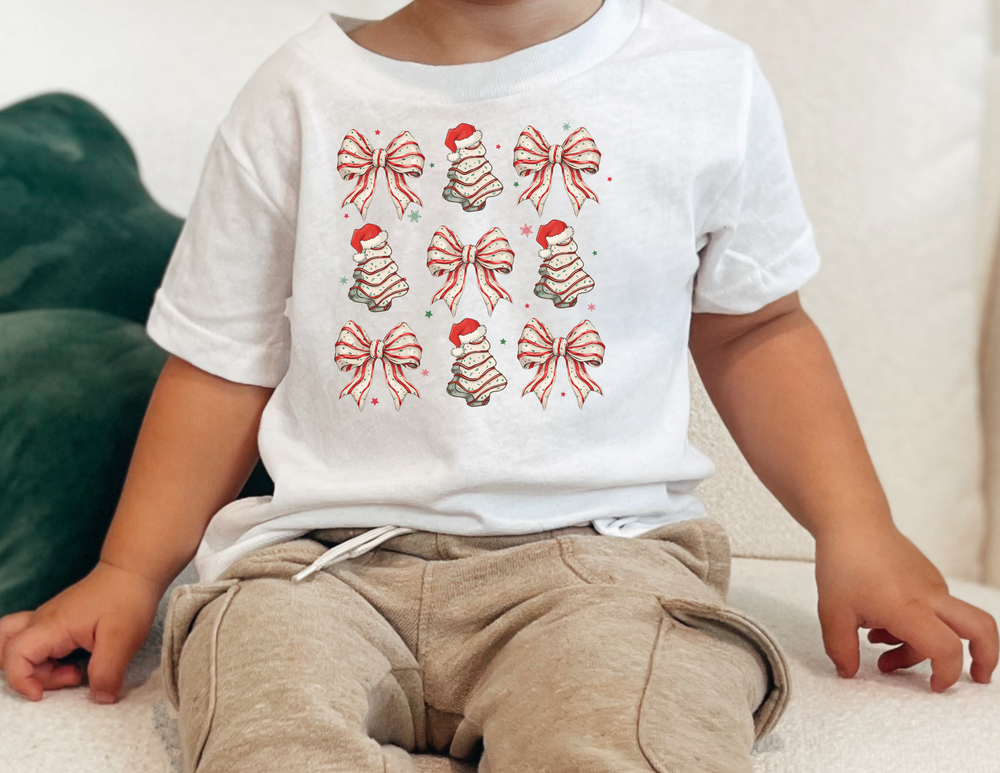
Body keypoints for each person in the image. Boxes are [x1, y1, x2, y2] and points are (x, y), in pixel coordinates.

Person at [2, 1, 997, 771]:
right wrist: (130, 571)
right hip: (323, 563)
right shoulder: (297, 93)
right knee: (254, 693)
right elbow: (222, 363)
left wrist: (855, 529)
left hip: (600, 565)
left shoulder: (701, 83)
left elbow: (757, 330)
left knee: (637, 712)